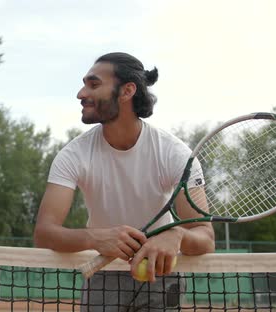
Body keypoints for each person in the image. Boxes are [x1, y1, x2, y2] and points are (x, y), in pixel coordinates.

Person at [33, 52, 215, 311]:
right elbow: (44, 233)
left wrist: (176, 235)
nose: (81, 93)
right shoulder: (73, 155)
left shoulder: (175, 153)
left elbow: (205, 238)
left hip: (162, 273)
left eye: (93, 84)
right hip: (102, 279)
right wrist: (96, 239)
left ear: (127, 91)